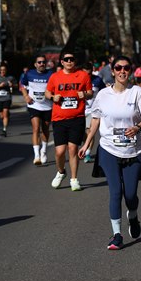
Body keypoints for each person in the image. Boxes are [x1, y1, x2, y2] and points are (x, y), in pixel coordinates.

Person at [79, 56, 141, 250]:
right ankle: (117, 235)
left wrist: (137, 127)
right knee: (116, 191)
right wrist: (87, 144)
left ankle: (133, 216)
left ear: (130, 71)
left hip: (132, 150)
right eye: (118, 68)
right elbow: (95, 119)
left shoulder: (136, 92)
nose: (122, 71)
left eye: (126, 68)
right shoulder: (103, 94)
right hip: (108, 149)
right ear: (112, 71)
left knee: (130, 195)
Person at [45, 50, 93, 191]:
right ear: (62, 62)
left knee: (73, 149)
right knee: (60, 152)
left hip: (76, 118)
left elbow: (90, 93)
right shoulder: (55, 76)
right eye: (66, 59)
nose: (69, 61)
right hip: (59, 118)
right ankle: (61, 172)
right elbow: (47, 92)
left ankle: (74, 179)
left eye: (72, 59)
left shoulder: (83, 75)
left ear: (75, 61)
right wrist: (52, 97)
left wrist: (84, 94)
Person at [20, 55, 54, 165]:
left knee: (45, 129)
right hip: (34, 105)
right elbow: (22, 85)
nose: (41, 64)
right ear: (35, 64)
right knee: (35, 128)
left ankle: (43, 151)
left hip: (47, 106)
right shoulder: (29, 73)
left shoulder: (51, 74)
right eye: (39, 62)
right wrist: (26, 96)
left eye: (43, 62)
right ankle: (36, 156)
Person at [83, 61, 106, 163]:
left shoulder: (97, 80)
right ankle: (85, 146)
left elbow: (104, 92)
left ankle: (87, 153)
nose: (87, 76)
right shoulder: (77, 80)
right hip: (79, 111)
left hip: (92, 111)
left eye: (89, 73)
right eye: (85, 73)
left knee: (90, 132)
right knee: (82, 134)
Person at [0, 63, 17, 137]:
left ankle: (4, 129)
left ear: (6, 70)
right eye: (1, 70)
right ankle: (7, 116)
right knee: (2, 116)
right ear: (0, 70)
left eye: (4, 70)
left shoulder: (10, 78)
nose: (3, 71)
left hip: (7, 98)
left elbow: (16, 85)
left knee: (5, 113)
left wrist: (12, 85)